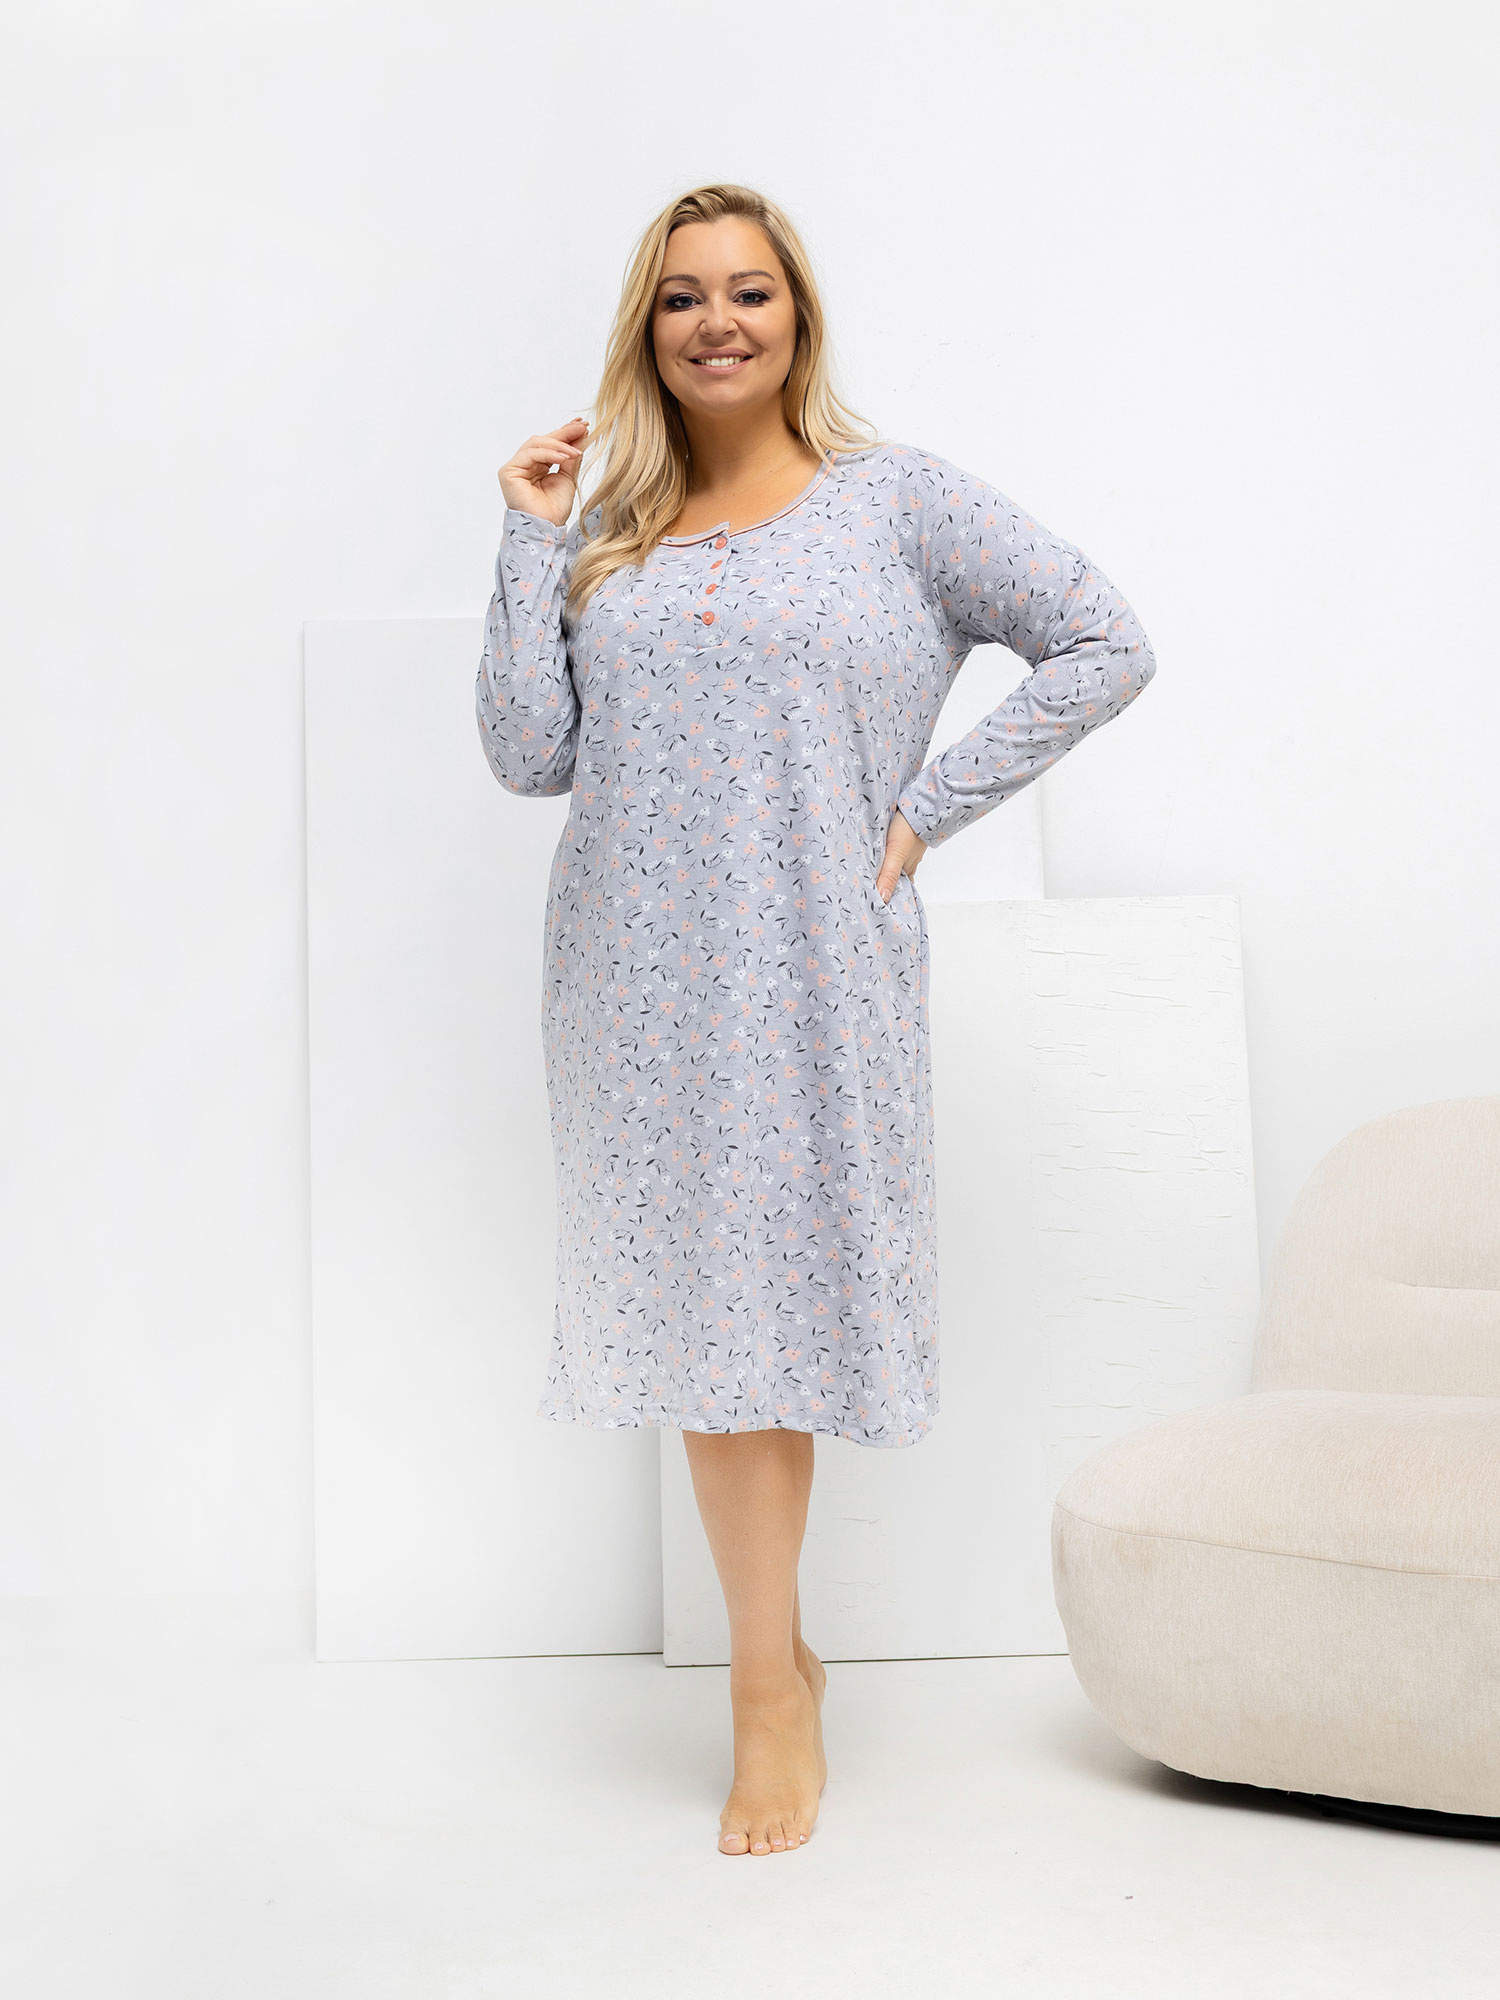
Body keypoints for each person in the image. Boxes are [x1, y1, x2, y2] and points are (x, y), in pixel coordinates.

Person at [476, 182, 1157, 1858]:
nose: (717, 322)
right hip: (629, 980)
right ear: (647, 329)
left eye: (749, 291)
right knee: (709, 1335)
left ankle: (772, 1679)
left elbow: (1103, 641)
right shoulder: (612, 528)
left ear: (798, 317)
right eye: (682, 297)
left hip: (812, 966)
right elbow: (528, 754)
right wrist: (530, 535)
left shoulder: (896, 503)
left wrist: (923, 811)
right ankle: (768, 1683)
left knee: (769, 1317)